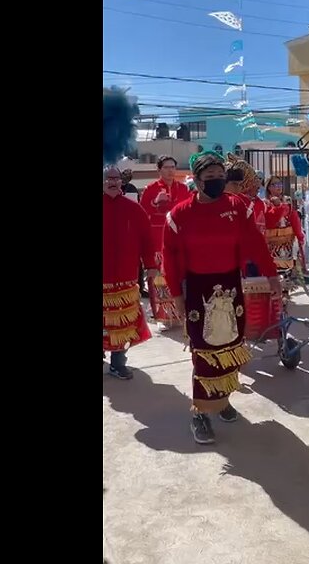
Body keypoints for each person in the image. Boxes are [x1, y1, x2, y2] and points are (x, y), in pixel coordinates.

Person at [161, 151, 280, 444]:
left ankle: (223, 400)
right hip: (198, 291)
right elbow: (170, 259)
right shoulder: (179, 215)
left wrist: (272, 275)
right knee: (204, 352)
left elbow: (254, 242)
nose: (216, 182)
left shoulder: (237, 207)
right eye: (209, 177)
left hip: (230, 284)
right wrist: (177, 296)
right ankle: (200, 414)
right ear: (197, 181)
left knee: (229, 347)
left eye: (219, 177)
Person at [102, 164, 157, 380]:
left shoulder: (134, 209)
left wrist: (151, 265)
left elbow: (147, 240)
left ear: (122, 182)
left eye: (116, 178)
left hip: (126, 278)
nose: (113, 182)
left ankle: (118, 363)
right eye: (108, 178)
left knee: (123, 324)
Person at [140, 157, 190, 329]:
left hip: (179, 239)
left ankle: (181, 313)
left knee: (179, 275)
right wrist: (155, 203)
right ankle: (163, 316)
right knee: (159, 279)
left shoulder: (183, 189)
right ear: (159, 170)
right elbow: (142, 214)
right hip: (157, 239)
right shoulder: (150, 189)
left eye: (173, 167)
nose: (170, 170)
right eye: (167, 167)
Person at [262, 178, 305, 272]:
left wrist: (300, 236)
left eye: (279, 184)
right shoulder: (265, 203)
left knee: (288, 270)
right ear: (269, 187)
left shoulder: (287, 200)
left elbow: (294, 219)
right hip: (271, 244)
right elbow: (269, 222)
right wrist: (278, 207)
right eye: (275, 184)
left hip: (287, 243)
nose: (278, 186)